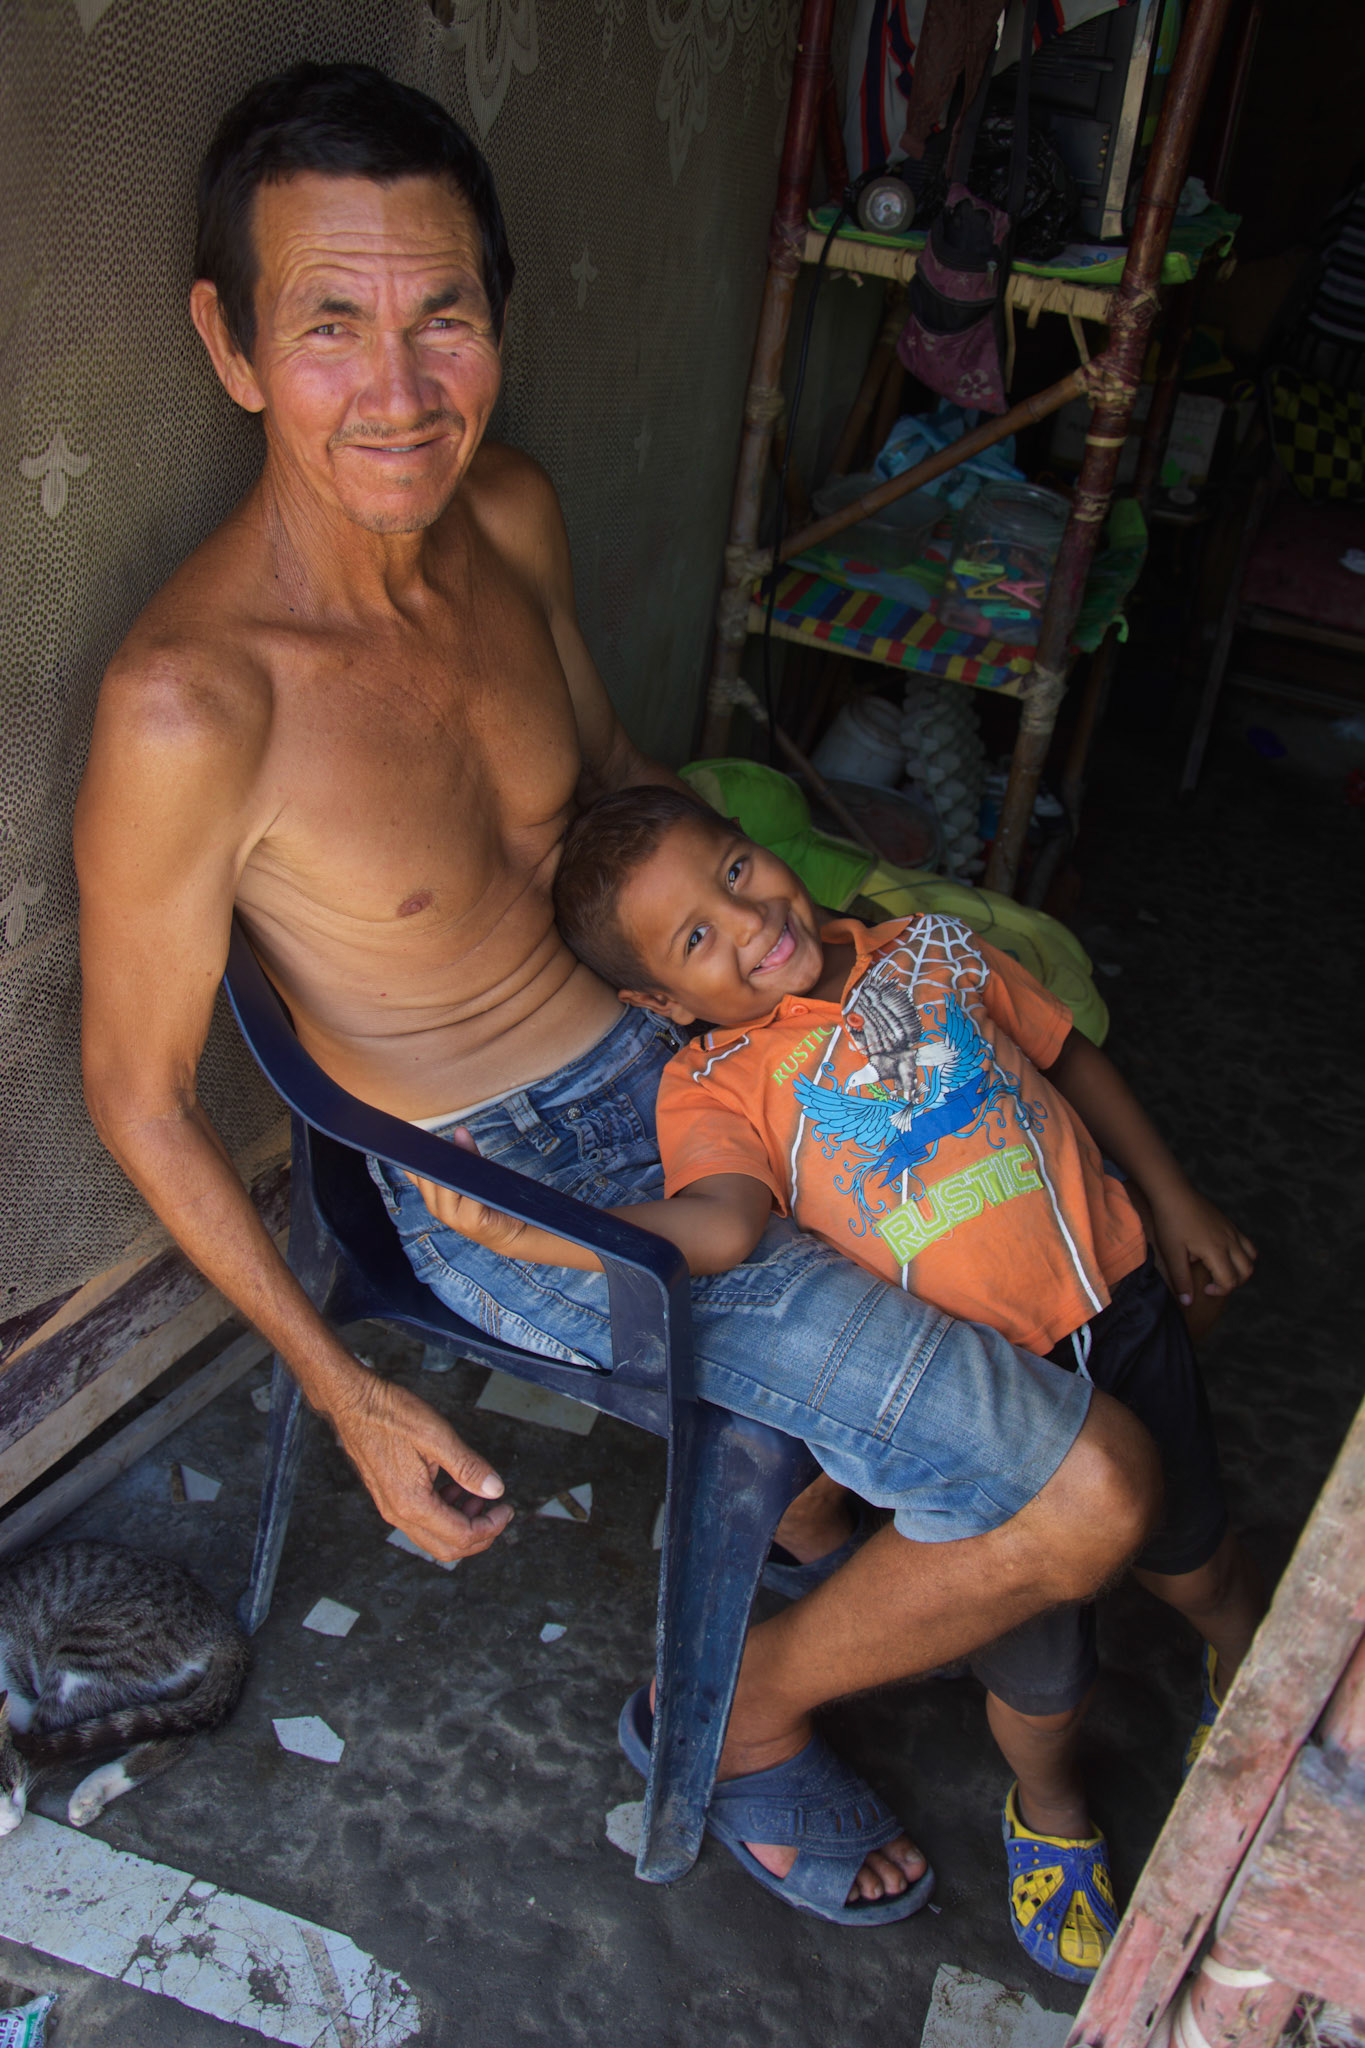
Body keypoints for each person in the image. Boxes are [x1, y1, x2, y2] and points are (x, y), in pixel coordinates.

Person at [75, 61, 1158, 1929]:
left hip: (700, 1060)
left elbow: (616, 804)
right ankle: (725, 1717)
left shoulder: (507, 516)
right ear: (231, 343)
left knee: (1066, 1239)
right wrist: (343, 1388)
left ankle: (813, 1530)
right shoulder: (196, 704)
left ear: (497, 319)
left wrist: (810, 941)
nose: (401, 389)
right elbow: (137, 1092)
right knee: (1093, 1497)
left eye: (444, 317)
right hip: (539, 1194)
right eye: (328, 323)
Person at [414, 784, 1262, 1978]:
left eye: (737, 870)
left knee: (1199, 1557)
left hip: (1118, 1309)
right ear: (660, 1004)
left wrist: (1172, 1197)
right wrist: (539, 1232)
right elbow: (714, 1226)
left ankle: (1252, 1664)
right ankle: (1053, 1805)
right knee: (1044, 1673)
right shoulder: (715, 1087)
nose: (747, 916)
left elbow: (1073, 1060)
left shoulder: (934, 950)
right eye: (696, 939)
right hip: (996, 1403)